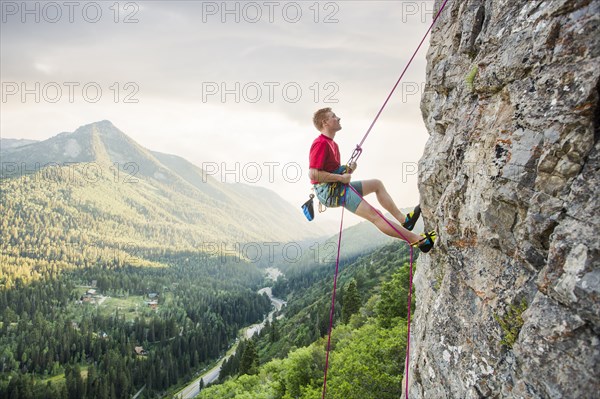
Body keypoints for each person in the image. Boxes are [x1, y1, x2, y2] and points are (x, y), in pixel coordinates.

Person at [308, 107, 436, 252]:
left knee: (376, 184)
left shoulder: (332, 144)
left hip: (335, 188)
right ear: (325, 122)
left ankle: (404, 221)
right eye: (333, 116)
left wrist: (348, 170)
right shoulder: (320, 143)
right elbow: (313, 174)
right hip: (331, 192)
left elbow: (328, 171)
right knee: (376, 216)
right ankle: (419, 241)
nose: (338, 118)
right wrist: (341, 177)